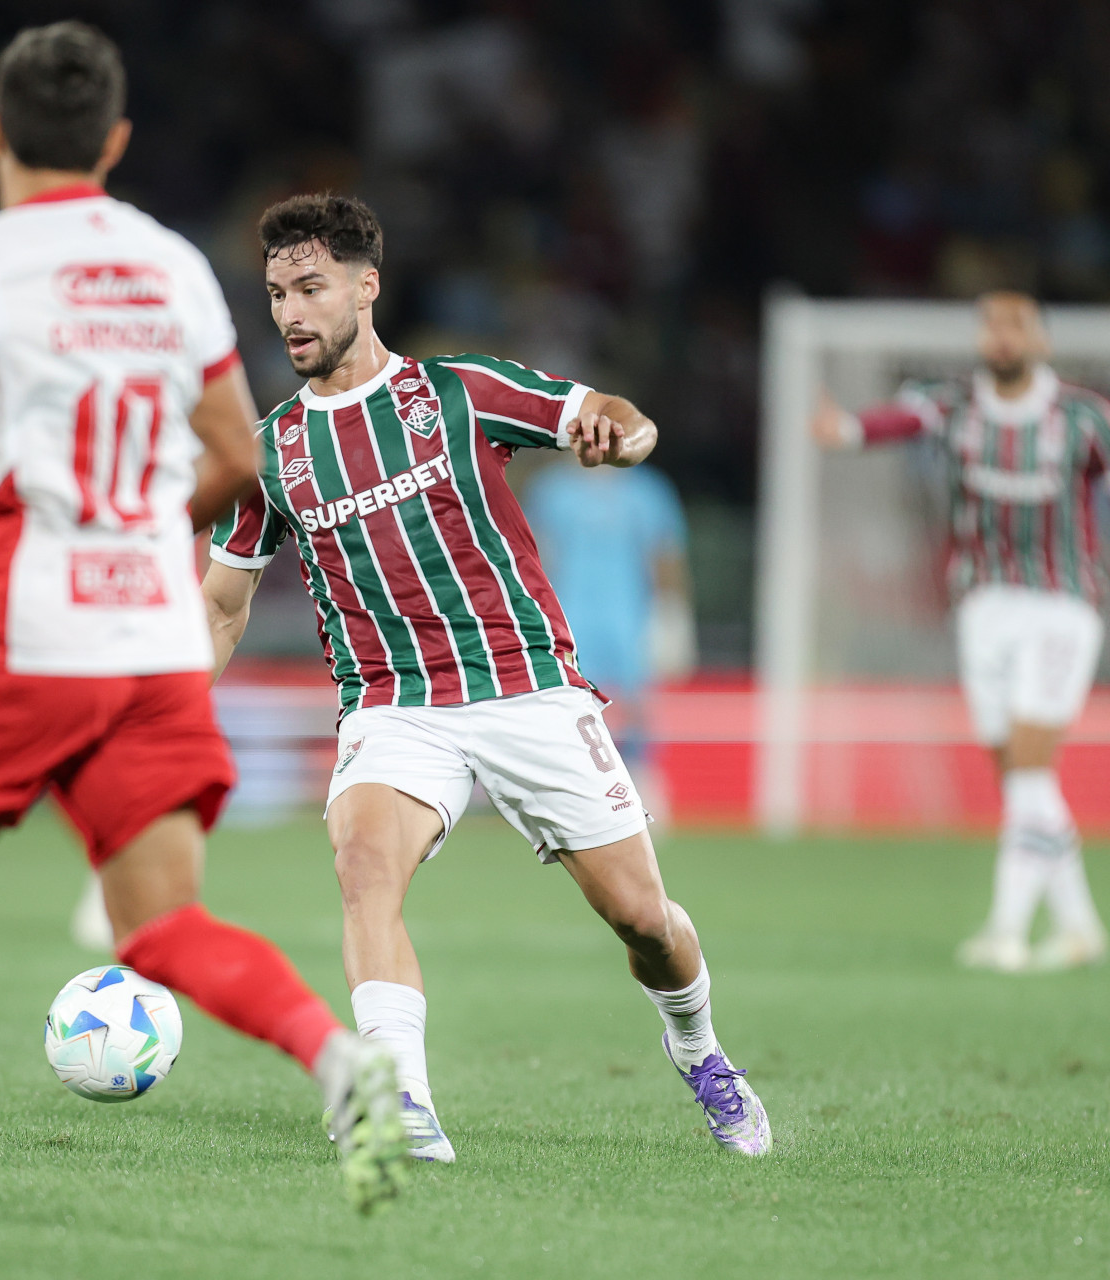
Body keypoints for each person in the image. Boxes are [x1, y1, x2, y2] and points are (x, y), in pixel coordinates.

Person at [0, 27, 405, 1244]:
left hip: (32, 627)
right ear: (115, 143)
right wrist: (131, 531)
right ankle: (340, 1057)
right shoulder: (172, 264)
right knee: (162, 927)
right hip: (157, 639)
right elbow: (236, 455)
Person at [204, 194, 772, 1164]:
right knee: (363, 867)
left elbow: (608, 416)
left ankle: (700, 1046)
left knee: (643, 918)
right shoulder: (270, 450)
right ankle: (401, 1100)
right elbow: (223, 602)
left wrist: (623, 437)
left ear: (365, 286)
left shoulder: (460, 390)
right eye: (275, 295)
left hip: (526, 686)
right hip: (393, 704)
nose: (291, 312)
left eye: (310, 287)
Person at [812, 291, 1110, 973]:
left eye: (1016, 325)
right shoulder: (956, 408)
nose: (1000, 336)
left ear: (1042, 340)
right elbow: (898, 421)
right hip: (982, 606)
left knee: (1031, 765)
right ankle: (1080, 925)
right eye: (991, 325)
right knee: (1020, 777)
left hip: (1062, 604)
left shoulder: (1089, 418)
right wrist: (848, 429)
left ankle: (1006, 929)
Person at [523, 461, 694, 822]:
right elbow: (535, 552)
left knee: (636, 704)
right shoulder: (553, 489)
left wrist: (670, 611)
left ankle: (644, 787)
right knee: (566, 703)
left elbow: (663, 554)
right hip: (569, 611)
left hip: (628, 613)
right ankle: (565, 796)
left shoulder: (647, 490)